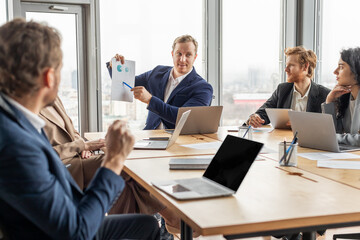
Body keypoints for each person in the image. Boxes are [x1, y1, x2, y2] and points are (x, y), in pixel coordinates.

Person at [0, 18, 159, 239]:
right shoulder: (17, 146)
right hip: (71, 228)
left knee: (148, 225)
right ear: (49, 77)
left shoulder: (15, 120)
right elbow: (77, 232)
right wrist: (113, 159)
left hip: (58, 219)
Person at [39, 95, 180, 230]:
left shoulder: (52, 96)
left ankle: (130, 230)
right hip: (61, 167)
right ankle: (171, 217)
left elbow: (72, 130)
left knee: (126, 186)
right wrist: (82, 146)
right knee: (124, 167)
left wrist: (81, 146)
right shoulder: (25, 108)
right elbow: (39, 156)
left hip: (77, 157)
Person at [107, 35, 213, 130]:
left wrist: (150, 100)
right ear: (172, 54)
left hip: (179, 141)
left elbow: (184, 119)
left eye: (188, 55)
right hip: (150, 136)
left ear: (195, 57)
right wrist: (115, 67)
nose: (182, 59)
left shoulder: (203, 88)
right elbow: (127, 84)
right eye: (179, 53)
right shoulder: (157, 72)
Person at [247, 46, 330, 128]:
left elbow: (329, 128)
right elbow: (264, 111)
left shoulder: (325, 95)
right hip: (284, 140)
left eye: (291, 65)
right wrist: (256, 116)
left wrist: (302, 124)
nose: (286, 69)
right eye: (286, 65)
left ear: (305, 67)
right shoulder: (282, 90)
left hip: (311, 141)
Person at [322, 47, 360, 146]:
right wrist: (330, 101)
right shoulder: (346, 98)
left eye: (341, 67)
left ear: (356, 71)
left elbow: (332, 137)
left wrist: (333, 137)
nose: (335, 71)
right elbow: (333, 132)